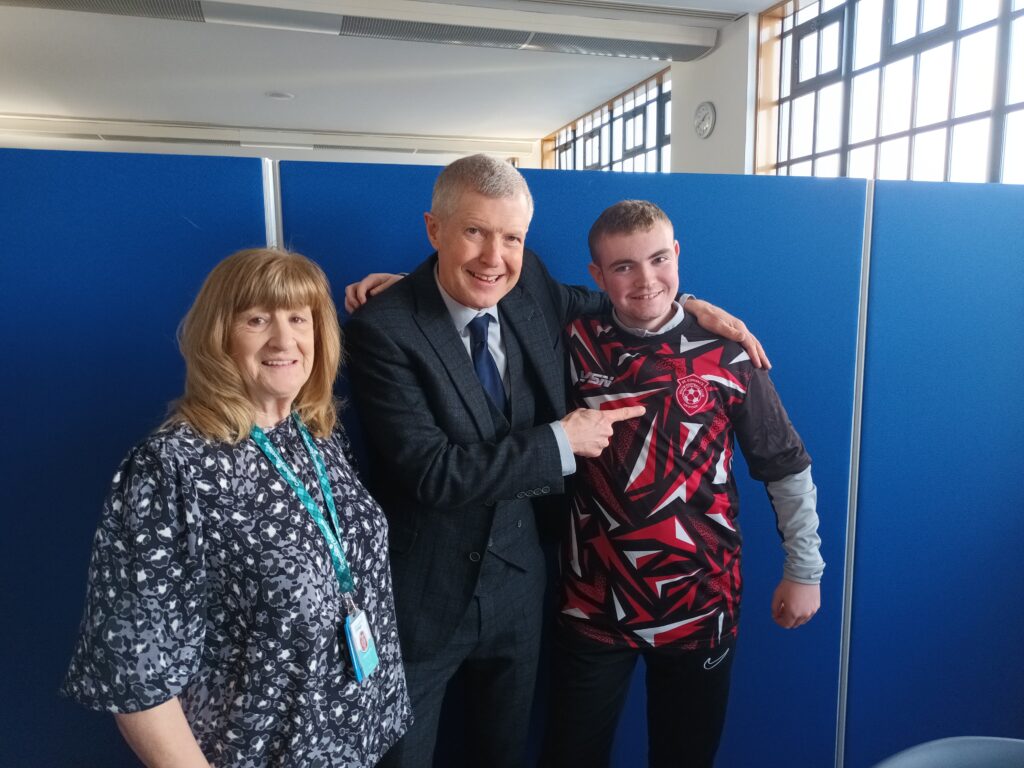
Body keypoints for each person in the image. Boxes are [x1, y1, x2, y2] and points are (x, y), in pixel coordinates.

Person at [342, 154, 768, 768]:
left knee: (505, 753)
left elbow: (621, 297)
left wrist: (691, 307)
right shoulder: (383, 329)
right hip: (426, 599)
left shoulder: (528, 283)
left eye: (511, 237)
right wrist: (563, 442)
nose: (494, 257)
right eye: (473, 232)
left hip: (523, 589)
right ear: (434, 230)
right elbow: (432, 473)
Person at [62, 248, 411, 767]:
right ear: (218, 336)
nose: (284, 339)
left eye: (299, 318)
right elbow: (137, 674)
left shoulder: (317, 435)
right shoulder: (172, 467)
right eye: (256, 319)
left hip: (360, 740)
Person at [541, 200, 824, 768]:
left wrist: (805, 569)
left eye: (658, 259)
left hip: (702, 601)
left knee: (684, 757)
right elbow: (486, 298)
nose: (645, 280)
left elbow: (786, 467)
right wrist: (401, 285)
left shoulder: (729, 352)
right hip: (592, 603)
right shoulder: (570, 341)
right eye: (622, 267)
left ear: (677, 255)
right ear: (596, 276)